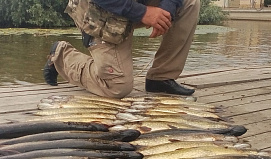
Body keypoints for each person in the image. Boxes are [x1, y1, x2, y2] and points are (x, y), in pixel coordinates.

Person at [43, 0, 200, 98]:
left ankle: (161, 78)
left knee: (190, 2)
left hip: (135, 3)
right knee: (117, 87)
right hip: (98, 9)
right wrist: (144, 13)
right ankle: (63, 55)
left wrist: (167, 11)